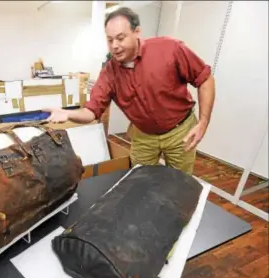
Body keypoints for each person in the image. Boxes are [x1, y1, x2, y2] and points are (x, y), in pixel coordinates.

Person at [44, 6, 215, 175]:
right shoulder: (109, 72)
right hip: (143, 135)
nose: (115, 46)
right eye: (110, 40)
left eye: (120, 38)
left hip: (180, 132)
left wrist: (203, 122)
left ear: (137, 32)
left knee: (180, 184)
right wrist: (68, 114)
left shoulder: (169, 49)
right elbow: (91, 111)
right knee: (140, 181)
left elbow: (205, 78)